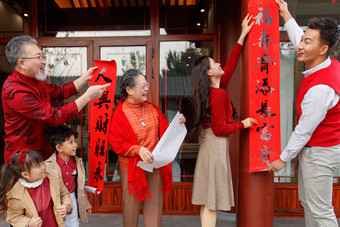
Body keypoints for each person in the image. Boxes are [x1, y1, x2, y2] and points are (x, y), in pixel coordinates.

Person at [268, 1, 340, 226]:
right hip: (318, 150)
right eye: (303, 39)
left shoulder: (321, 89)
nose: (300, 45)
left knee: (320, 210)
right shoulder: (325, 61)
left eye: (307, 41)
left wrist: (283, 158)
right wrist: (286, 14)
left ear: (322, 49)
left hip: (320, 152)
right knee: (308, 203)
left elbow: (304, 130)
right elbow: (299, 37)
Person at [190, 14, 257, 227]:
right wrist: (243, 124)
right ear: (210, 72)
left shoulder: (213, 90)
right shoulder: (217, 95)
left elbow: (231, 64)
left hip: (209, 146)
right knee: (212, 202)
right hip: (215, 146)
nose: (219, 63)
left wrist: (242, 35)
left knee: (207, 200)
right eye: (214, 62)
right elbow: (220, 129)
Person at [2, 35, 110, 163]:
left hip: (44, 154)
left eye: (43, 57)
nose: (44, 62)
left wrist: (85, 78)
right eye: (38, 57)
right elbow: (55, 115)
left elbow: (59, 92)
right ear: (22, 63)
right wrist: (87, 97)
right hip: (24, 161)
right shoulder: (14, 90)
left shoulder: (36, 81)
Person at [109, 69, 186, 227]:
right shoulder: (119, 114)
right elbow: (117, 143)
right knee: (131, 209)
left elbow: (165, 130)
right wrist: (138, 150)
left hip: (154, 165)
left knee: (154, 206)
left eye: (147, 85)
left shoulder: (152, 108)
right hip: (132, 168)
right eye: (142, 86)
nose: (146, 89)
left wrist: (176, 123)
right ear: (129, 90)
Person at [0, 149, 72, 227]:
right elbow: (14, 217)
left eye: (42, 161)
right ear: (25, 174)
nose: (44, 166)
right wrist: (29, 223)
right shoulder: (16, 193)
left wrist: (67, 206)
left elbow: (64, 194)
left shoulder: (53, 177)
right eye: (38, 166)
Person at [45, 125, 92, 227]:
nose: (75, 145)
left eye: (75, 141)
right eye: (71, 142)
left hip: (72, 199)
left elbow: (80, 187)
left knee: (72, 223)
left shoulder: (77, 163)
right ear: (59, 148)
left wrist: (85, 204)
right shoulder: (48, 165)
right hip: (55, 201)